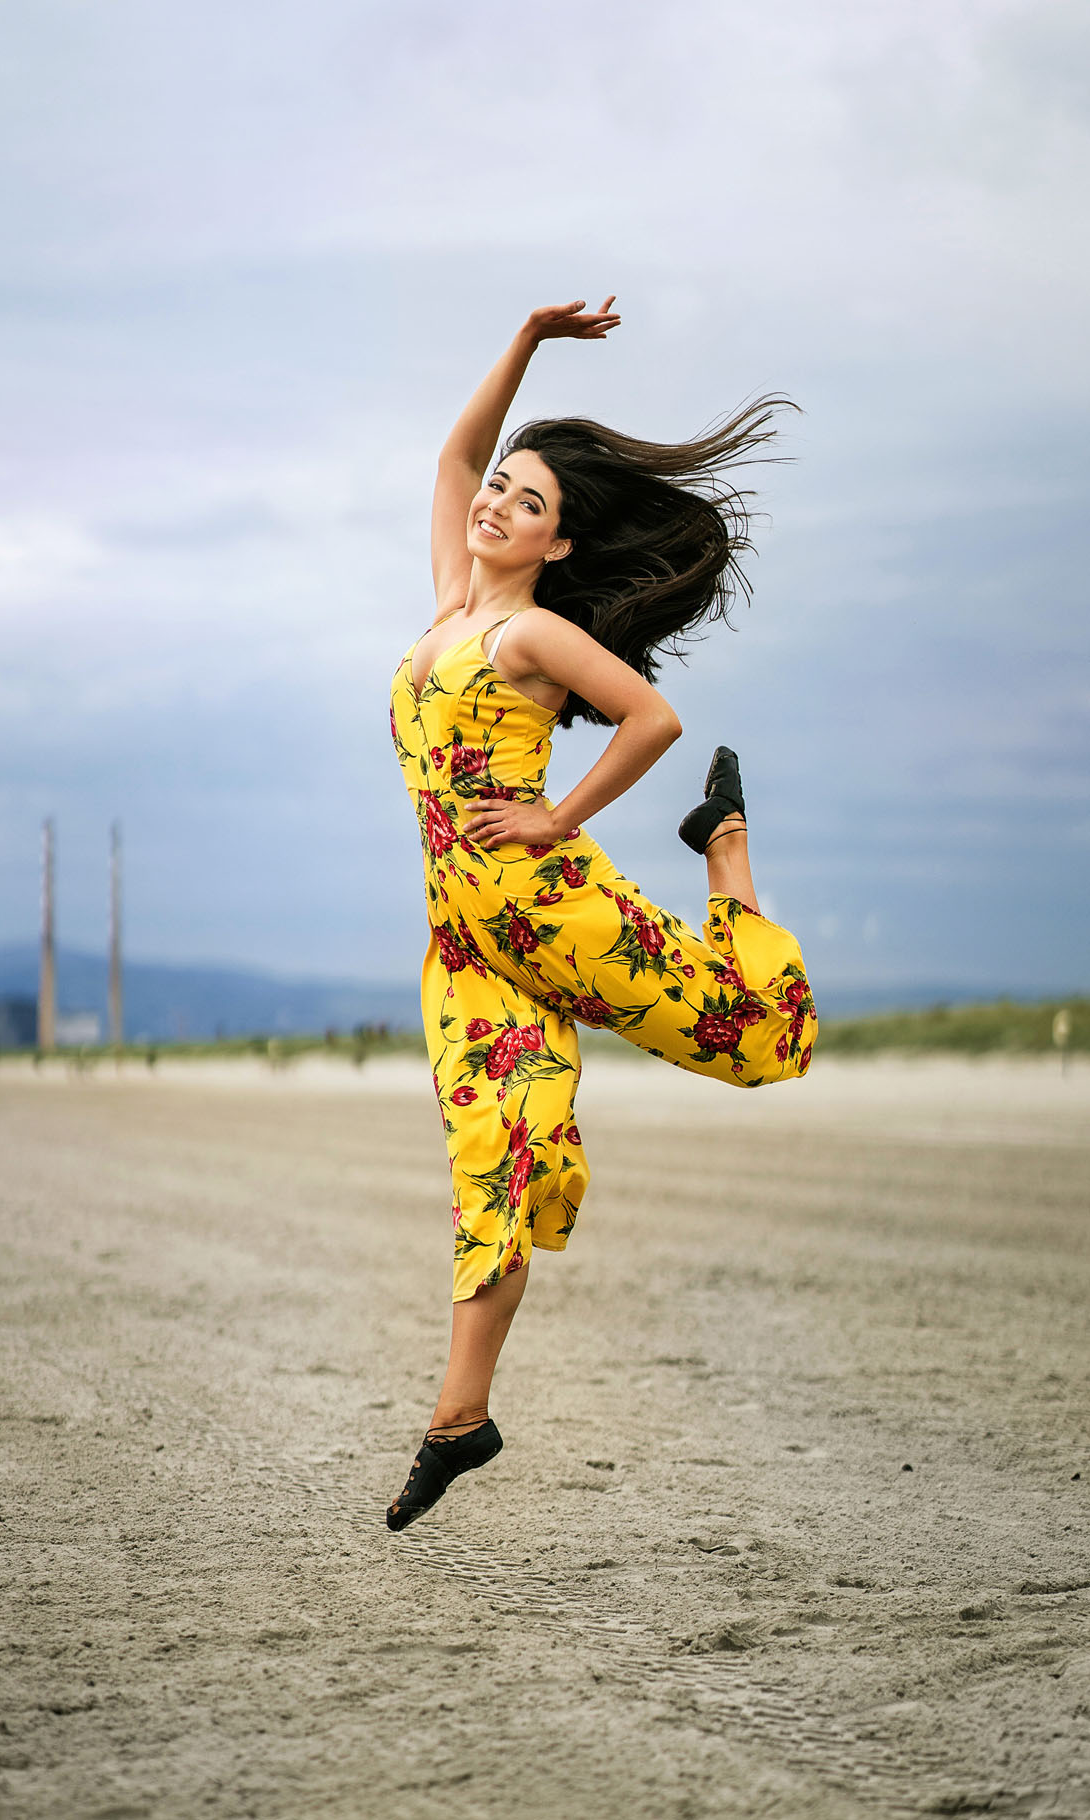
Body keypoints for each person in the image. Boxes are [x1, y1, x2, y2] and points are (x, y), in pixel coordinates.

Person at [386, 298, 817, 1531]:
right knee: (495, 1161)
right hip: (465, 944)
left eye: (528, 504)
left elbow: (651, 719)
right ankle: (460, 1419)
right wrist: (523, 341)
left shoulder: (530, 632)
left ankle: (722, 845)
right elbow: (450, 457)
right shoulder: (445, 614)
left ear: (558, 547)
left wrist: (558, 818)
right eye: (504, 490)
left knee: (755, 1039)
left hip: (548, 908)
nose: (496, 504)